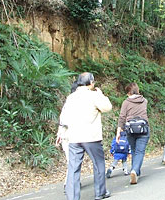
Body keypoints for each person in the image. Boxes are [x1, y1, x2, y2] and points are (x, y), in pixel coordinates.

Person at [57, 72, 112, 200]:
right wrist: (99, 93)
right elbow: (107, 107)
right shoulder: (93, 95)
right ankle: (100, 192)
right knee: (98, 163)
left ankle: (72, 197)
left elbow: (64, 116)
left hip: (74, 137)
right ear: (91, 83)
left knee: (73, 168)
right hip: (91, 137)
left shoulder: (71, 97)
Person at [116, 83, 149, 185]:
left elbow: (122, 117)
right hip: (143, 128)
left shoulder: (126, 102)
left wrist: (118, 131)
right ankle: (135, 171)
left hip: (130, 129)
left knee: (134, 150)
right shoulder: (144, 100)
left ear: (129, 92)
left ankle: (135, 171)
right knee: (140, 151)